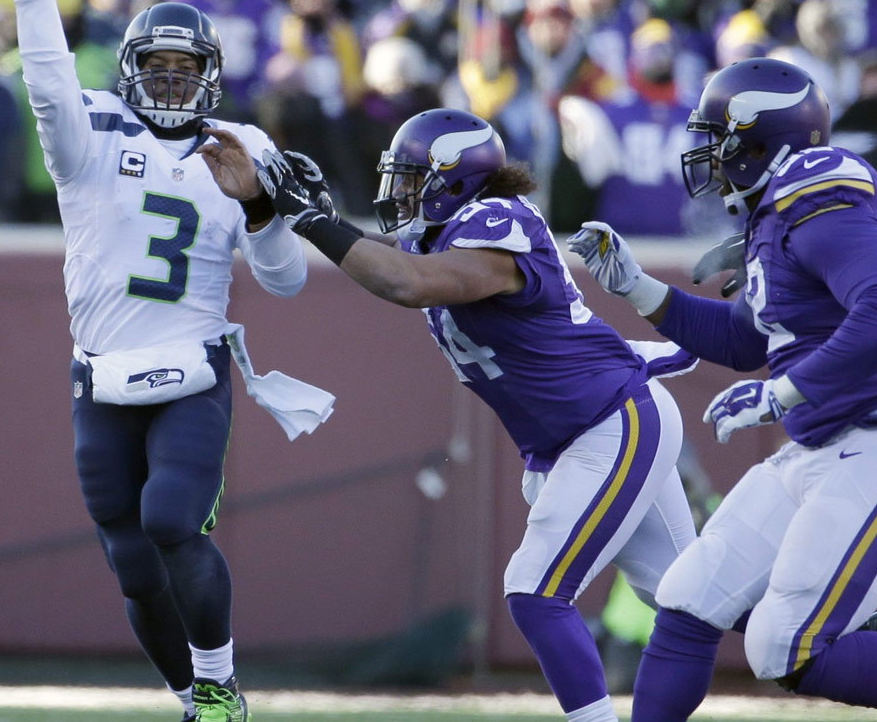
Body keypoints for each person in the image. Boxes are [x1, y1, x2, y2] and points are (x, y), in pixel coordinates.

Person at [240, 108, 696, 722]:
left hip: (612, 422)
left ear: (454, 180)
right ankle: (827, 638)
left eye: (412, 180)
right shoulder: (446, 233)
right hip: (586, 431)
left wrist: (313, 220)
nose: (400, 195)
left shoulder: (497, 221)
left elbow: (408, 283)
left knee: (535, 592)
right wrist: (323, 216)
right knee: (695, 598)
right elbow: (394, 258)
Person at [8, 0, 313, 722]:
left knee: (172, 520)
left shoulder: (243, 145)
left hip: (192, 368)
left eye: (186, 68)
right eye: (157, 66)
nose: (172, 80)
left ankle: (219, 683)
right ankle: (192, 701)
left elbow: (286, 281)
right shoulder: (92, 130)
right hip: (101, 372)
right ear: (131, 70)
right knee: (134, 567)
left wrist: (261, 208)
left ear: (210, 75)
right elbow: (47, 83)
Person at [568, 58, 877, 720]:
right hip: (822, 442)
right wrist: (636, 287)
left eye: (720, 141)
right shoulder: (778, 212)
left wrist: (783, 395)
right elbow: (745, 341)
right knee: (687, 599)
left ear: (760, 143)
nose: (710, 158)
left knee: (783, 647)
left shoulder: (815, 188)